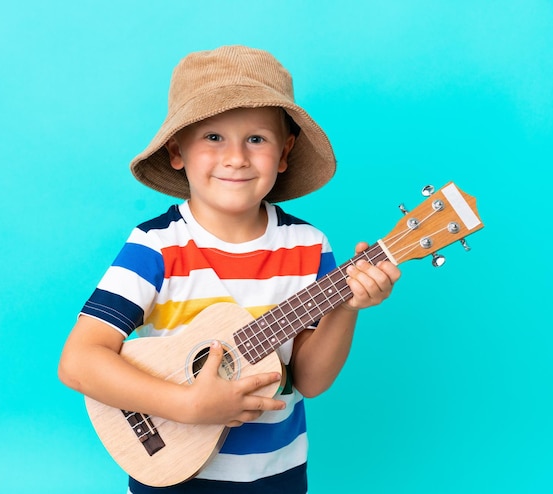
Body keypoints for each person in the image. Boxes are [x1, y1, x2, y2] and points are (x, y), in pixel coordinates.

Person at [58, 45, 401, 493]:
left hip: (276, 476)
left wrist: (348, 306)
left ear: (284, 152)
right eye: (214, 137)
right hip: (168, 472)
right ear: (178, 151)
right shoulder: (156, 246)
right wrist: (186, 405)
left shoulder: (308, 246)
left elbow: (311, 380)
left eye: (256, 139)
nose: (236, 157)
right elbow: (79, 361)